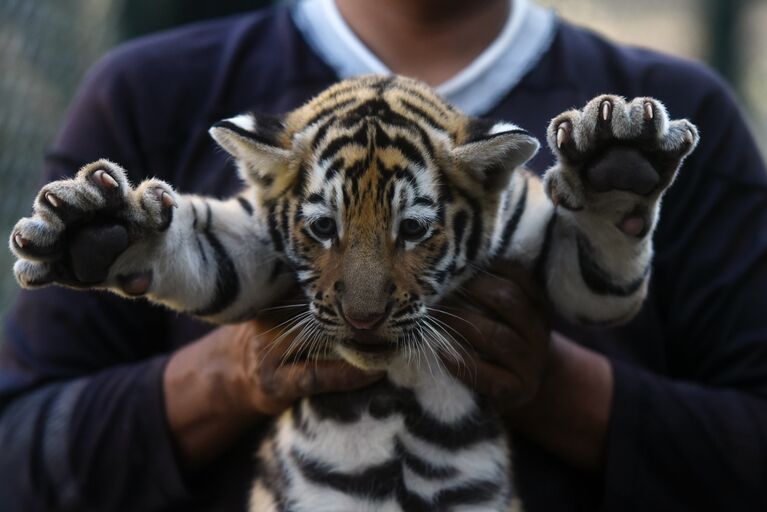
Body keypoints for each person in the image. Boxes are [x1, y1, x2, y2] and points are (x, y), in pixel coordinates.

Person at [2, 0, 766, 510]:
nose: (363, 305)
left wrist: (553, 385)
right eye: (320, 229)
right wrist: (232, 373)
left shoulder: (669, 115)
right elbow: (18, 458)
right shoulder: (150, 93)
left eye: (416, 230)